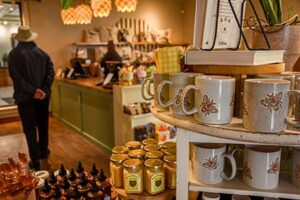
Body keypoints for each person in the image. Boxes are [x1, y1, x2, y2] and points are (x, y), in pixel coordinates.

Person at [8, 26, 54, 170]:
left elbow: (16, 77)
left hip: (24, 98)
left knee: (29, 128)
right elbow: (50, 73)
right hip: (43, 97)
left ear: (19, 39)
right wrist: (43, 91)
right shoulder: (43, 54)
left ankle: (35, 160)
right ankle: (43, 151)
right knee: (43, 124)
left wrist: (32, 91)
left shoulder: (13, 55)